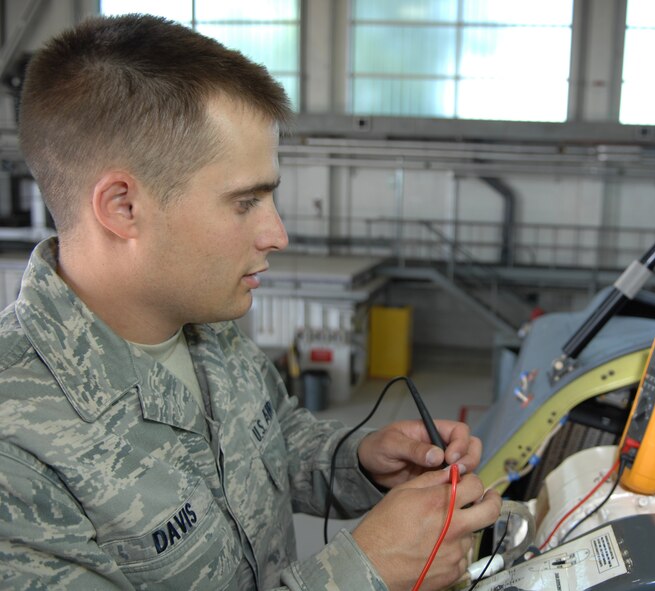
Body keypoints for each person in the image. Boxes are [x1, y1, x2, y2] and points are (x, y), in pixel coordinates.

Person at [0, 13, 501, 591]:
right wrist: (361, 575)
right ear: (122, 207)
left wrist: (361, 459)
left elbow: (274, 439)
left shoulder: (205, 322)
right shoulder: (18, 455)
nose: (277, 234)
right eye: (245, 202)